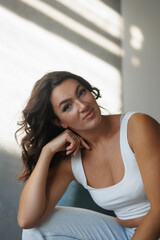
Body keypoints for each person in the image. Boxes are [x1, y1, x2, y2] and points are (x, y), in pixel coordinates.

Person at [16, 71, 160, 240]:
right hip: (124, 234)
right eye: (67, 107)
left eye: (82, 92)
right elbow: (26, 220)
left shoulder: (137, 127)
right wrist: (47, 152)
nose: (83, 106)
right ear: (60, 122)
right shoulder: (72, 160)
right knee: (36, 230)